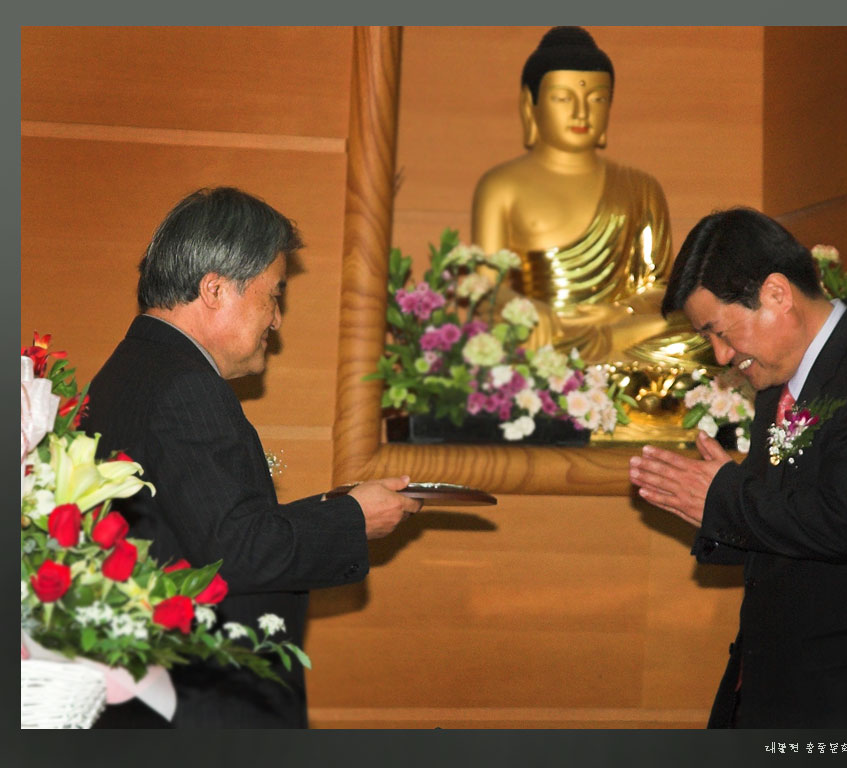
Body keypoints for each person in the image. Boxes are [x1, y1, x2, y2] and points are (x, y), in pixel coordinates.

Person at [82, 187, 421, 728]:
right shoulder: (185, 387)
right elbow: (236, 552)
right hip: (201, 711)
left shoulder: (134, 368)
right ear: (215, 289)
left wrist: (338, 506)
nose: (277, 319)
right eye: (274, 295)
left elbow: (209, 532)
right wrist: (354, 519)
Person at [629, 207, 847, 728]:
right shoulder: (782, 379)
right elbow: (791, 519)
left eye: (719, 331)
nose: (722, 356)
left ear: (775, 293)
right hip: (788, 686)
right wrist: (710, 510)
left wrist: (725, 496)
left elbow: (846, 522)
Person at [471, 26, 712, 378]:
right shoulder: (500, 186)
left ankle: (591, 373)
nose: (581, 111)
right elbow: (485, 290)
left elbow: (661, 288)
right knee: (497, 341)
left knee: (697, 336)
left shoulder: (640, 187)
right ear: (530, 105)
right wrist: (528, 311)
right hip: (546, 333)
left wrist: (619, 313)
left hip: (620, 330)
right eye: (563, 98)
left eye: (597, 98)